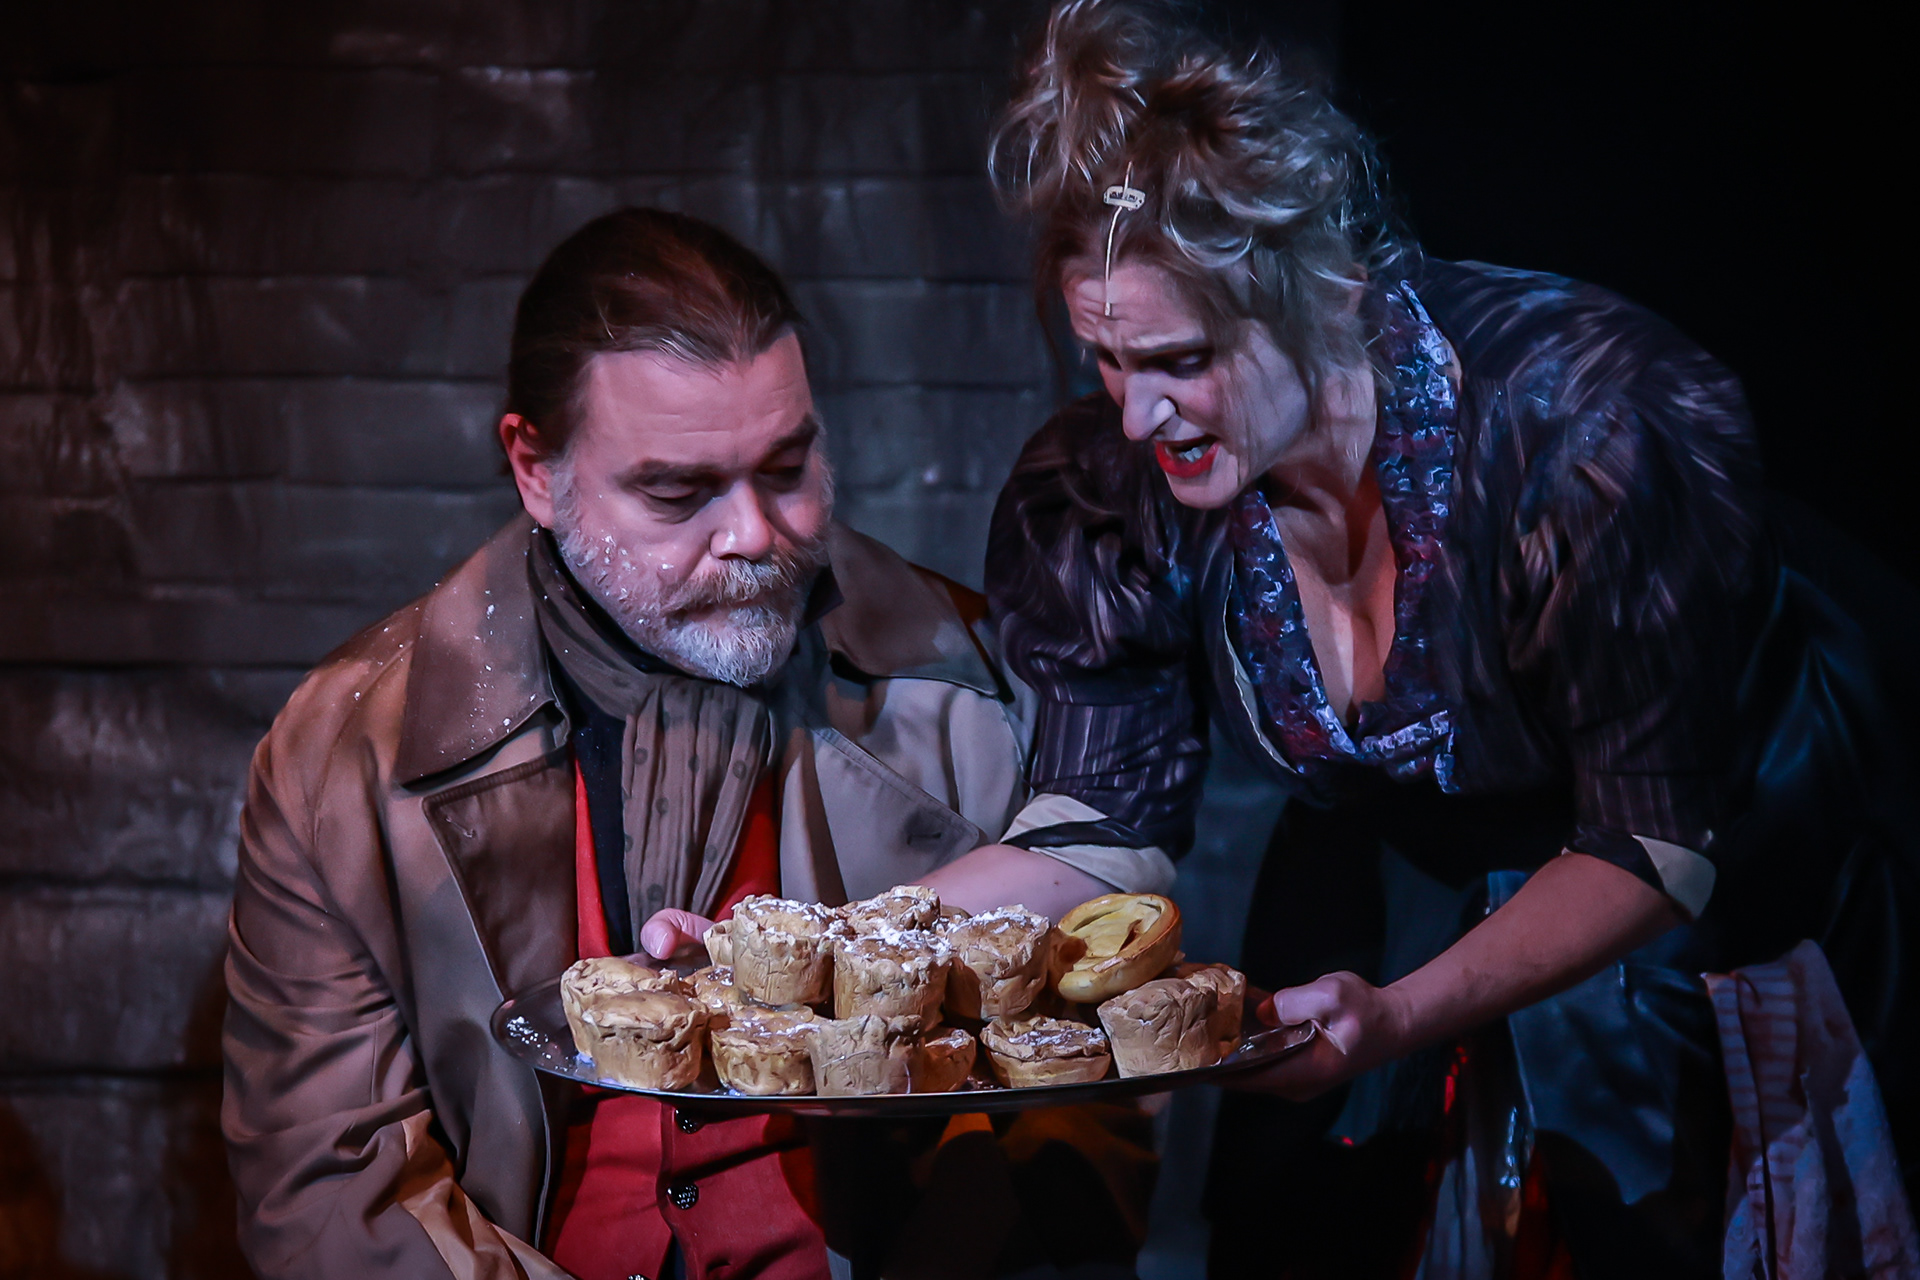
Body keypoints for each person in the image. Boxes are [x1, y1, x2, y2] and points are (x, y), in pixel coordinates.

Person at [982, 3, 1918, 1276]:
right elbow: (1100, 819)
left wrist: (1401, 1015)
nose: (1138, 412)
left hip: (1700, 885)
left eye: (1180, 359)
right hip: (1403, 866)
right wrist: (833, 954)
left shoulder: (1586, 435)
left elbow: (1657, 842)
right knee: (1301, 1213)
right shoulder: (1115, 489)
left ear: (1317, 293)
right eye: (1104, 358)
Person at [222, 208, 1085, 1280]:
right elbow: (332, 1184)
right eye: (678, 490)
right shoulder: (338, 759)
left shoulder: (982, 691)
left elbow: (1081, 1111)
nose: (755, 535)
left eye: (788, 465)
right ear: (535, 469)